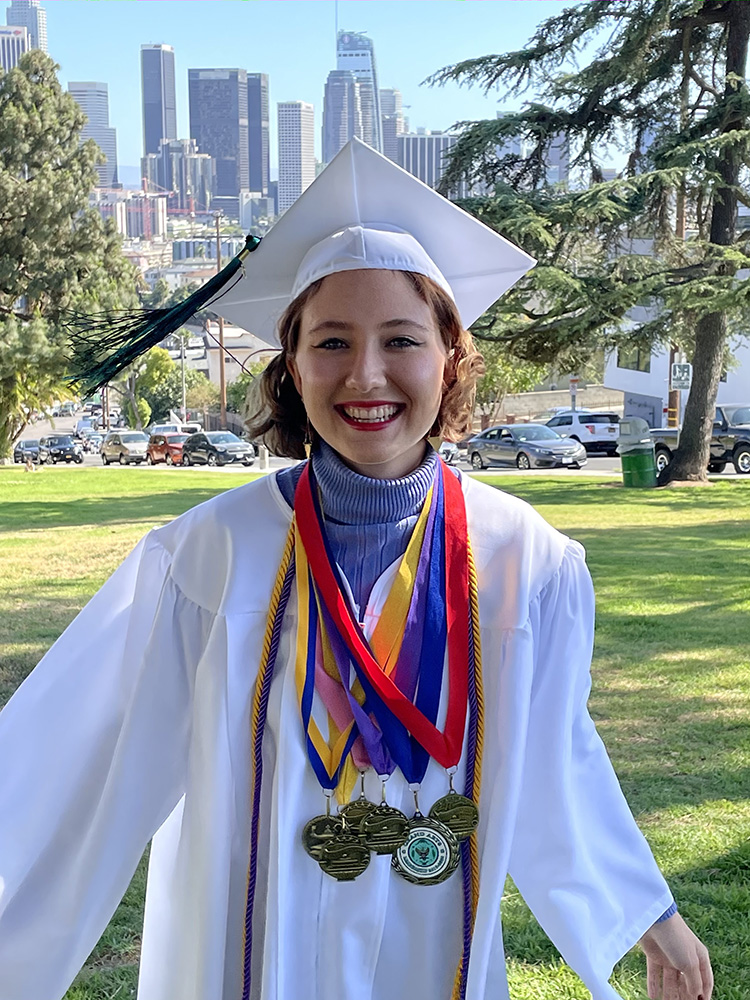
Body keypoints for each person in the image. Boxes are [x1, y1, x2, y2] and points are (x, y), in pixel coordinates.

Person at [0, 139, 712, 1000]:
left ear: (451, 356)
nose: (365, 374)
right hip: (257, 946)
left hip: (431, 916)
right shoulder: (209, 556)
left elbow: (558, 759)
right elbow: (91, 770)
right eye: (331, 341)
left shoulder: (531, 563)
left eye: (402, 339)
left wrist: (646, 911)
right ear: (291, 368)